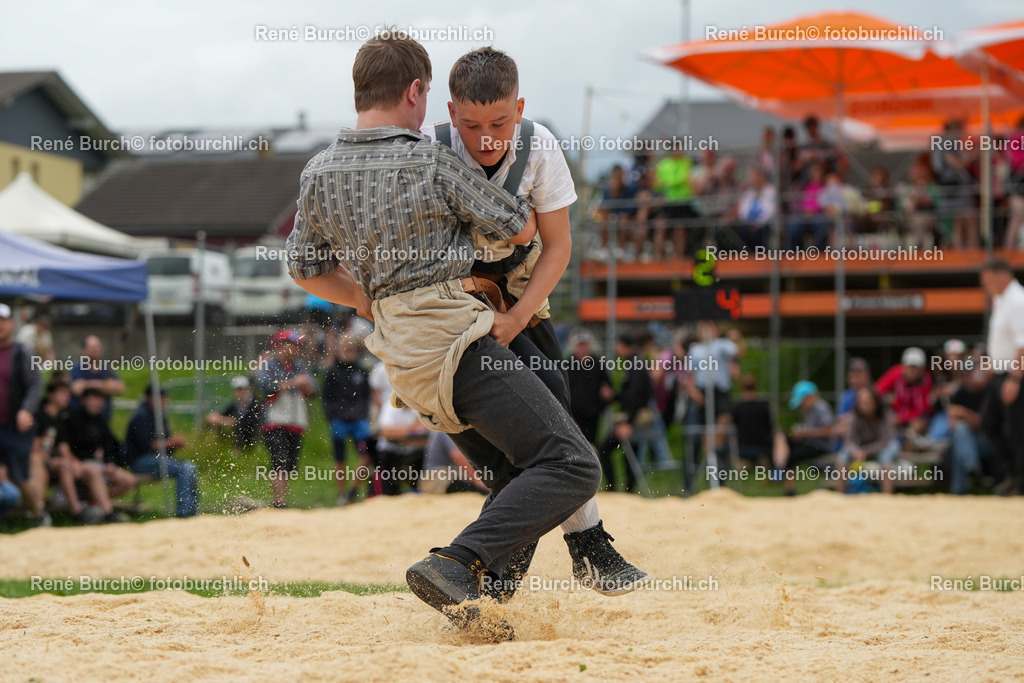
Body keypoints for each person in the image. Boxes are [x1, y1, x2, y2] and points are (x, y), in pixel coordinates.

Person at [285, 32, 606, 637]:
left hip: (399, 359)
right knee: (570, 464)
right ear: (416, 92)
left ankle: (480, 609)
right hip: (454, 342)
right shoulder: (429, 161)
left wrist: (364, 296)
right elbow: (515, 227)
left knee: (520, 473)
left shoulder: (318, 170)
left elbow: (304, 266)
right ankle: (455, 562)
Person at [424, 46, 646, 596]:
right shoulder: (429, 151)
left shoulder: (540, 147)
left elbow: (559, 244)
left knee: (552, 420)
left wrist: (518, 316)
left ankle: (501, 575)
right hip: (455, 298)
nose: (486, 138)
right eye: (471, 125)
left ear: (519, 109)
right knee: (538, 450)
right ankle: (583, 547)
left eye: (500, 122)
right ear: (451, 113)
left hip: (523, 294)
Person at [36, 380, 117, 524]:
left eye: (67, 394)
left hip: (57, 461)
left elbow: (63, 448)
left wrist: (76, 463)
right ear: (50, 395)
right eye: (62, 394)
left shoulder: (60, 418)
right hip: (39, 460)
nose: (66, 397)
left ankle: (107, 512)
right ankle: (77, 512)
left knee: (91, 470)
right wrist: (71, 463)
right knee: (65, 464)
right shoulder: (39, 416)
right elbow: (36, 448)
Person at [255, 330, 316, 508]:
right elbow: (265, 387)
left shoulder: (299, 366)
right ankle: (279, 502)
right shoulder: (269, 365)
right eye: (292, 345)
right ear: (280, 347)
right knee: (279, 461)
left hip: (295, 421)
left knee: (289, 464)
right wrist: (294, 383)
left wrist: (304, 385)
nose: (296, 350)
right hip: (274, 420)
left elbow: (313, 391)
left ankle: (281, 500)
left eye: (297, 346)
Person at [979, 258, 1024, 495]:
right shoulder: (1001, 300)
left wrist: (1015, 379)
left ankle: (1020, 481)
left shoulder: (1018, 301)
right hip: (1000, 373)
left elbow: (1023, 345)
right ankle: (1014, 474)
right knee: (989, 423)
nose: (985, 286)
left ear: (1001, 276)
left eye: (987, 280)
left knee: (1018, 430)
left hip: (1015, 374)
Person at [122, 385, 199, 518]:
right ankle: (185, 512)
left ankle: (191, 510)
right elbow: (147, 445)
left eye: (165, 397)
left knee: (189, 467)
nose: (165, 400)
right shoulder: (141, 416)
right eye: (161, 397)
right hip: (140, 460)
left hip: (157, 458)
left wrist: (174, 444)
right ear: (150, 398)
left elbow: (164, 443)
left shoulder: (159, 415)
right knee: (183, 469)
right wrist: (172, 442)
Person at [0, 303, 45, 525]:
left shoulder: (22, 352)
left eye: (3, 320)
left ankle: (38, 514)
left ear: (11, 324)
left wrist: (26, 410)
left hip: (15, 427)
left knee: (20, 476)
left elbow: (35, 386)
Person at [597, 333, 655, 493]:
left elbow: (636, 396)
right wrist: (614, 396)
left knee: (606, 449)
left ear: (624, 345)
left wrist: (627, 422)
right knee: (629, 453)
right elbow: (630, 394)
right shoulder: (634, 362)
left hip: (634, 418)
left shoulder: (635, 364)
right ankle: (627, 489)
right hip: (632, 416)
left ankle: (617, 488)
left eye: (618, 345)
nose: (616, 349)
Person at [65, 387, 136, 507]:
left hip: (99, 464)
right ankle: (107, 512)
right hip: (81, 463)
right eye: (93, 399)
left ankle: (96, 504)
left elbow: (109, 445)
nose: (96, 403)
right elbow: (69, 447)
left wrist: (110, 462)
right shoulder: (73, 420)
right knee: (95, 473)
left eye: (98, 400)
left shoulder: (101, 421)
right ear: (83, 400)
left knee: (129, 480)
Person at [322, 335, 373, 504]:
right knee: (340, 459)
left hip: (359, 420)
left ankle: (354, 489)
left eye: (352, 350)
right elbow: (326, 398)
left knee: (367, 456)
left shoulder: (361, 371)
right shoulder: (332, 372)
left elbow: (367, 395)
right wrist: (332, 416)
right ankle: (342, 494)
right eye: (346, 350)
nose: (349, 353)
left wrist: (363, 413)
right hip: (339, 420)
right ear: (339, 350)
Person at [772, 381, 835, 496]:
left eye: (801, 402)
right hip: (811, 443)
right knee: (784, 439)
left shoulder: (821, 407)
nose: (801, 406)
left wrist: (805, 433)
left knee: (791, 452)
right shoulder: (810, 410)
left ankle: (785, 481)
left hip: (821, 446)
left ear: (809, 397)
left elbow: (828, 431)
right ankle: (780, 471)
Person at [836, 387, 900, 494]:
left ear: (875, 402)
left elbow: (884, 441)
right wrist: (856, 451)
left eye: (867, 403)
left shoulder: (884, 415)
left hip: (884, 445)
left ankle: (887, 496)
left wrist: (866, 451)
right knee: (843, 457)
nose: (863, 406)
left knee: (886, 459)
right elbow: (849, 439)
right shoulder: (854, 415)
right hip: (862, 446)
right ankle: (840, 496)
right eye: (861, 403)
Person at [948, 368, 996, 495]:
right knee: (960, 433)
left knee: (960, 439)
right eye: (965, 376)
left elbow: (983, 424)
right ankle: (971, 466)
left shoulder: (988, 392)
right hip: (966, 442)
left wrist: (964, 413)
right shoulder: (960, 393)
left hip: (988, 442)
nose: (968, 379)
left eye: (971, 375)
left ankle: (958, 491)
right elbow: (952, 424)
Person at [875, 347, 932, 442]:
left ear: (921, 370)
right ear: (903, 367)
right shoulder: (895, 373)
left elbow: (923, 408)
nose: (912, 371)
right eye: (910, 367)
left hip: (913, 416)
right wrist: (887, 398)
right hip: (895, 413)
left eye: (916, 368)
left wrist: (903, 418)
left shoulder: (925, 380)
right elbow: (876, 391)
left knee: (918, 424)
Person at [565, 331, 612, 446]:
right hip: (573, 412)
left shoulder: (598, 363)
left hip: (592, 412)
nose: (582, 349)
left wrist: (606, 397)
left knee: (591, 442)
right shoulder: (567, 364)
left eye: (585, 345)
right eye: (580, 345)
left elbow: (607, 386)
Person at [69, 335, 125, 422]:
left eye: (98, 347)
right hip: (81, 421)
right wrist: (105, 386)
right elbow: (77, 388)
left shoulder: (105, 369)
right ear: (83, 350)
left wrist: (88, 385)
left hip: (103, 421)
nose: (95, 350)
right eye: (92, 347)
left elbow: (120, 388)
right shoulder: (77, 368)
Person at [421, 431, 489, 495]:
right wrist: (477, 481)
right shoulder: (446, 428)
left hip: (444, 477)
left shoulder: (444, 428)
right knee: (482, 492)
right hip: (439, 480)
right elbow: (458, 456)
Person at [206, 376, 262, 451]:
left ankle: (238, 449)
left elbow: (251, 422)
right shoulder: (236, 404)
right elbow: (224, 413)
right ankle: (218, 448)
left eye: (242, 389)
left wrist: (228, 421)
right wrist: (215, 417)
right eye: (237, 390)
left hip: (253, 437)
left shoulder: (256, 404)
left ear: (248, 389)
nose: (239, 392)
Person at [730, 374, 773, 466]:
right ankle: (760, 462)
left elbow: (733, 428)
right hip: (763, 447)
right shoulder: (763, 406)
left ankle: (745, 463)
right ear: (756, 387)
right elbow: (770, 427)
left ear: (741, 388)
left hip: (743, 448)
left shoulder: (737, 407)